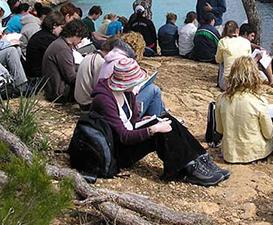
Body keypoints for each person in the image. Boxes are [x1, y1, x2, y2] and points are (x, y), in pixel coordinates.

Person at [91, 58, 228, 186]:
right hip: (117, 151)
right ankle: (186, 169)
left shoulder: (126, 93)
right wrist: (152, 129)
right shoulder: (104, 100)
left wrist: (145, 121)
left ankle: (200, 159)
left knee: (170, 121)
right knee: (161, 132)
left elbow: (133, 121)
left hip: (125, 138)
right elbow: (123, 136)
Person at [216, 56, 273, 163]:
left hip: (229, 153)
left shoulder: (221, 98)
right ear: (255, 76)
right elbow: (268, 134)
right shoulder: (258, 101)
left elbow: (220, 129)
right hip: (255, 153)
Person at [98, 39, 165, 117]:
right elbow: (128, 89)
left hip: (114, 98)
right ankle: (158, 120)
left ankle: (161, 115)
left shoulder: (110, 59)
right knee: (154, 90)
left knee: (155, 96)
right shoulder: (122, 63)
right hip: (120, 104)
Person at [42, 19, 88, 102]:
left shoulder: (60, 43)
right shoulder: (63, 49)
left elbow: (70, 66)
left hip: (53, 88)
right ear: (76, 33)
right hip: (59, 92)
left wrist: (84, 67)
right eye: (80, 37)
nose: (80, 41)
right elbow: (71, 77)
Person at [74, 37, 117, 111]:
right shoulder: (100, 61)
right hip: (88, 103)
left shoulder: (91, 55)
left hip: (81, 100)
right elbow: (100, 88)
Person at [25, 11, 65, 78]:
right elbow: (58, 57)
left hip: (33, 71)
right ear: (54, 26)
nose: (62, 30)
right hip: (39, 74)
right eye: (61, 27)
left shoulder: (41, 35)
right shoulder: (47, 39)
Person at [215, 20, 252, 90]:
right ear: (237, 30)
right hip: (243, 81)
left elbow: (218, 60)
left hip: (227, 84)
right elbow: (249, 60)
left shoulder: (222, 42)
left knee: (222, 62)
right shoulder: (246, 42)